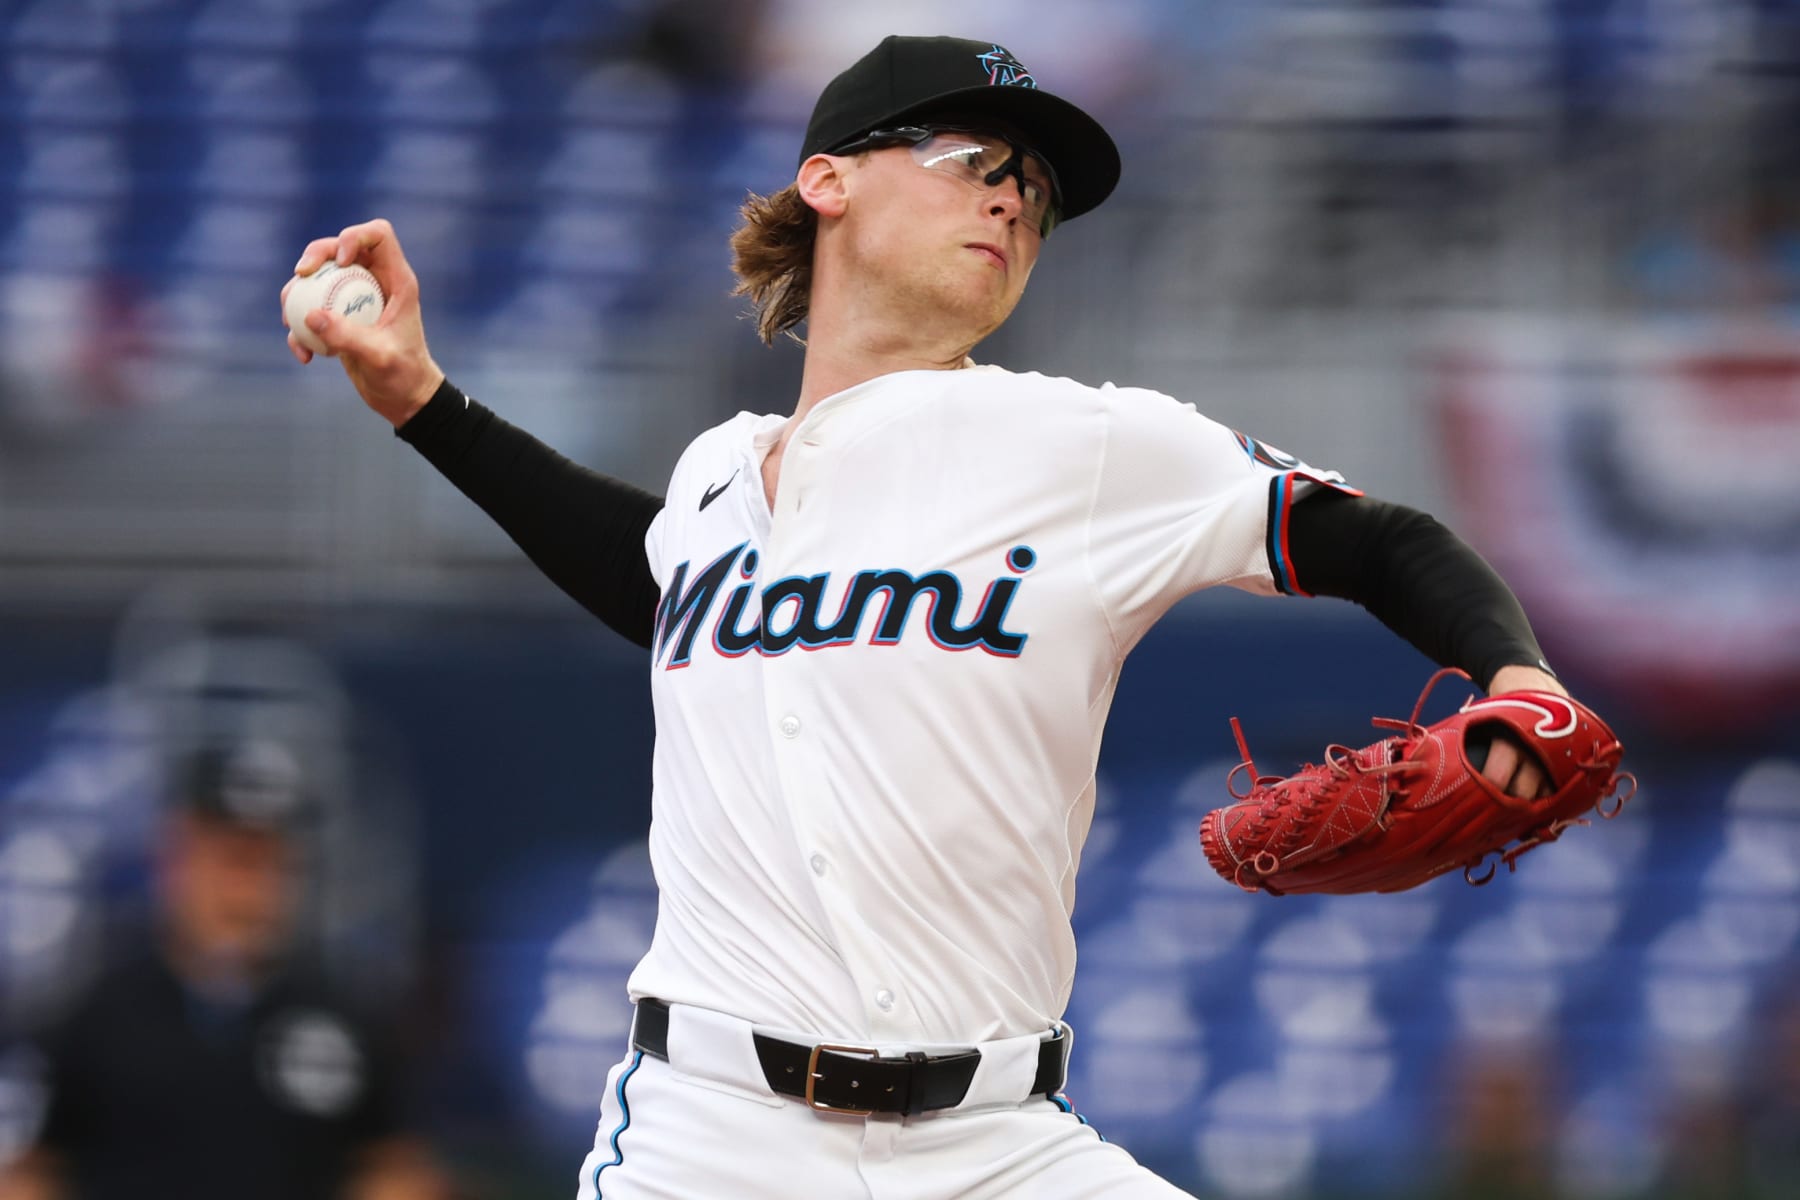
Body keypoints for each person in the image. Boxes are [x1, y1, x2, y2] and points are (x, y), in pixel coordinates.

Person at [282, 34, 1570, 1199]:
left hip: (999, 1145)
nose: (1015, 196)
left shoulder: (1094, 445)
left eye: (1037, 189)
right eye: (973, 159)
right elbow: (648, 571)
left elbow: (1380, 540)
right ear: (830, 181)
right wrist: (418, 399)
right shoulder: (720, 476)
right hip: (711, 1139)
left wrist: (1516, 676)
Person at [0, 743, 447, 1200]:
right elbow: (34, 1171)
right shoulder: (100, 1015)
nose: (246, 891)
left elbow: (395, 1167)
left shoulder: (345, 1018)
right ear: (177, 860)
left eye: (266, 863)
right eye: (231, 860)